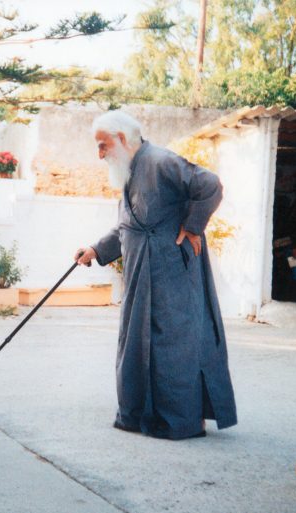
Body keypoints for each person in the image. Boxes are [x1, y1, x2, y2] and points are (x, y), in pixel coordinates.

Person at [75, 110, 237, 439]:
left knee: (173, 346)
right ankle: (137, 417)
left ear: (122, 139)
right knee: (136, 344)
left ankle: (177, 421)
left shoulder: (161, 161)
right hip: (140, 278)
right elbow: (128, 228)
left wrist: (192, 226)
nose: (100, 154)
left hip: (172, 273)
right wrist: (96, 250)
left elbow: (211, 185)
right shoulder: (127, 171)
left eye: (104, 145)